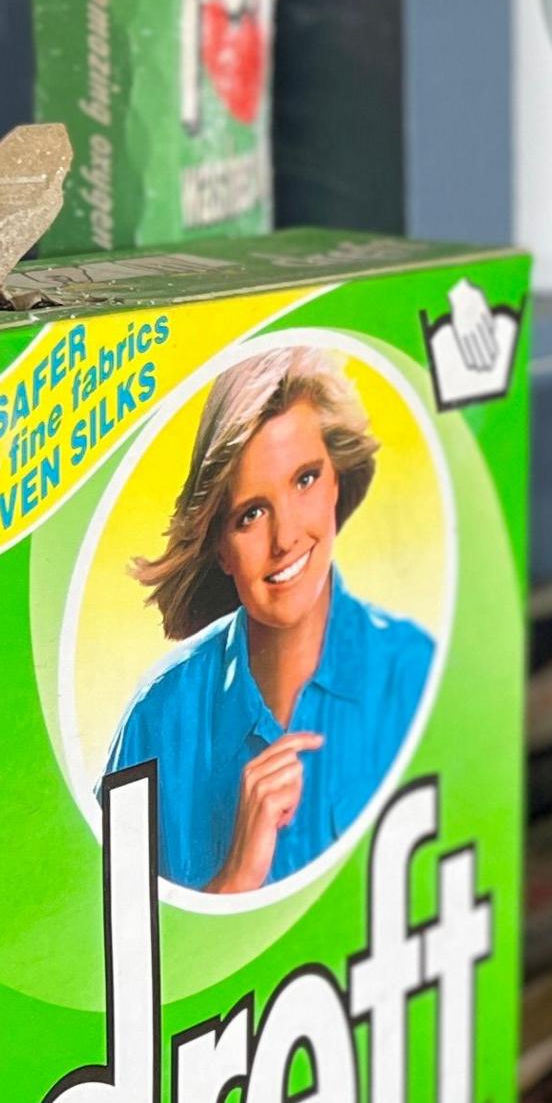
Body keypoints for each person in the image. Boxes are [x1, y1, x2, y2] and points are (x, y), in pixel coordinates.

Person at [117, 345, 432, 892]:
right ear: (219, 546)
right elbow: (94, 958)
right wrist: (236, 877)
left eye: (305, 479)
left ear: (338, 481)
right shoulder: (157, 721)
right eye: (251, 514)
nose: (285, 538)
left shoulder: (413, 673)